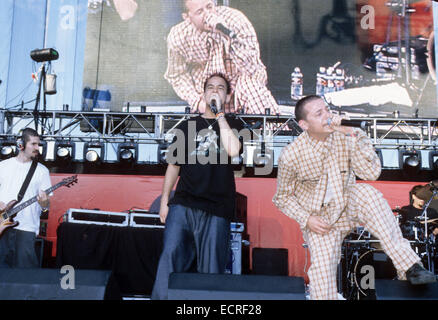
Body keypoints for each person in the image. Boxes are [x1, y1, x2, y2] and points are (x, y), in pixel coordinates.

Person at [272, 95, 436, 300]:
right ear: (304, 124)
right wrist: (307, 219)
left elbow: (371, 173)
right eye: (319, 113)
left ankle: (411, 267)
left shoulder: (345, 137)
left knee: (368, 193)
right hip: (321, 219)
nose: (328, 116)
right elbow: (282, 197)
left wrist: (356, 137)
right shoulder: (291, 155)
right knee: (322, 282)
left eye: (327, 110)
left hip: (348, 202)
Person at [151, 73, 243, 300]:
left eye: (220, 88)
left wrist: (220, 115)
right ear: (203, 93)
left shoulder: (234, 124)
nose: (214, 91)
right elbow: (173, 166)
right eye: (210, 87)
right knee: (170, 258)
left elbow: (233, 150)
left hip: (217, 206)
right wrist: (164, 202)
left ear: (227, 95)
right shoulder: (187, 126)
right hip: (184, 202)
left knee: (211, 268)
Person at [165, 0, 279, 115]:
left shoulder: (235, 20)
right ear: (187, 17)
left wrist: (226, 34)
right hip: (207, 92)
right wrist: (197, 102)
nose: (208, 14)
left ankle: (278, 130)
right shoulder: (179, 36)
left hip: (242, 82)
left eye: (209, 7)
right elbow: (177, 75)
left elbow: (252, 67)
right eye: (200, 12)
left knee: (251, 88)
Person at [0, 128, 51, 268]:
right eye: (33, 144)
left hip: (27, 228)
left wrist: (44, 203)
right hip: (1, 226)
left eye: (38, 144)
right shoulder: (3, 166)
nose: (37, 148)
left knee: (25, 274)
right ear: (21, 145)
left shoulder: (42, 171)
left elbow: (46, 207)